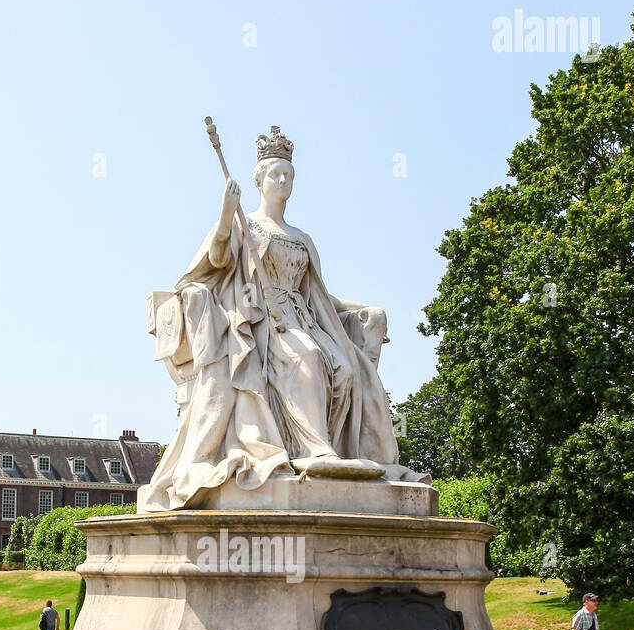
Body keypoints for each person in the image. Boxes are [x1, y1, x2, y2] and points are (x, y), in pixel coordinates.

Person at [139, 125, 425, 511]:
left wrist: (366, 311)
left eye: (289, 175)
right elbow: (218, 260)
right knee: (305, 357)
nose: (283, 180)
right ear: (259, 181)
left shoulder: (302, 237)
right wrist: (226, 214)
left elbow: (321, 294)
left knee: (345, 368)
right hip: (263, 320)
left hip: (305, 315)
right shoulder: (244, 222)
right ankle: (315, 448)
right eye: (275, 174)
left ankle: (337, 450)